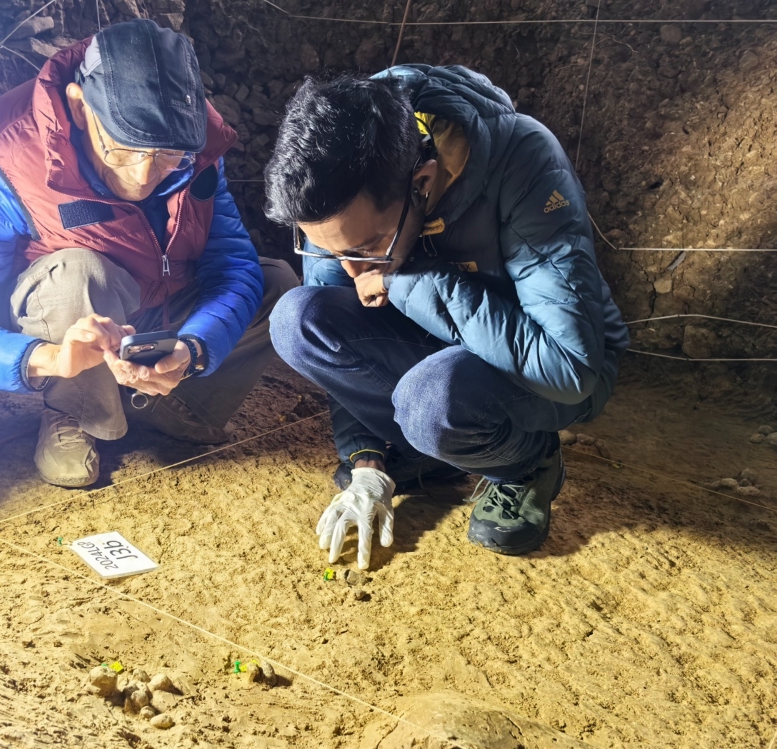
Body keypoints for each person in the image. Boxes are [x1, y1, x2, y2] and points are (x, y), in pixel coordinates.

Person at [265, 67, 629, 567]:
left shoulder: (522, 159)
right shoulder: (336, 178)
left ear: (423, 181)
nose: (353, 271)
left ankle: (527, 462)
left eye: (367, 247)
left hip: (547, 364)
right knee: (297, 320)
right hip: (440, 345)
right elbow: (340, 328)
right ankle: (418, 451)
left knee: (432, 400)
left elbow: (569, 367)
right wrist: (365, 460)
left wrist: (405, 281)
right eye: (331, 250)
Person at [0, 20, 297, 488]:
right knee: (77, 271)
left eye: (165, 156)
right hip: (63, 327)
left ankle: (170, 407)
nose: (142, 176)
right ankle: (76, 414)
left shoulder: (194, 144)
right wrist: (50, 359)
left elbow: (232, 265)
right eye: (121, 150)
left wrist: (194, 347)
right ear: (79, 107)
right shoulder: (2, 156)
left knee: (276, 283)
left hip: (158, 318)